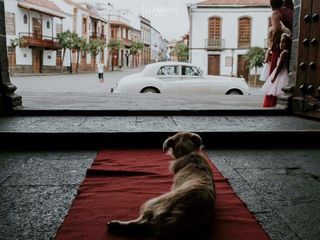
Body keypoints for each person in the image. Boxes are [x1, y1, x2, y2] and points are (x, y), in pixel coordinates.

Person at [262, 33, 291, 107]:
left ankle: (276, 104)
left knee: (277, 90)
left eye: (284, 42)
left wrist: (274, 77)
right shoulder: (286, 52)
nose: (281, 44)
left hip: (281, 73)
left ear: (287, 43)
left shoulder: (284, 53)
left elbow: (279, 67)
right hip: (283, 72)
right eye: (281, 42)